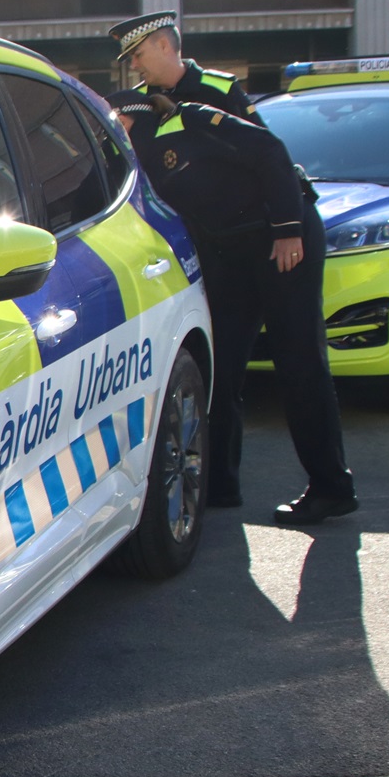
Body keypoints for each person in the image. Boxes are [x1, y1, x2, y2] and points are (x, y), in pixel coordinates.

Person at [104, 88, 357, 526]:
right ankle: (220, 483)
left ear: (133, 117)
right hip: (233, 254)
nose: (113, 135)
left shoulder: (193, 120)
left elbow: (271, 152)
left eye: (117, 125)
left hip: (281, 240)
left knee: (299, 363)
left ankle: (331, 487)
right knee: (220, 368)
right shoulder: (135, 162)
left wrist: (287, 228)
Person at [109, 11, 260, 122]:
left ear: (163, 45)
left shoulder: (222, 89)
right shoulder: (137, 101)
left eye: (138, 55)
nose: (133, 65)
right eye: (131, 59)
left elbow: (264, 149)